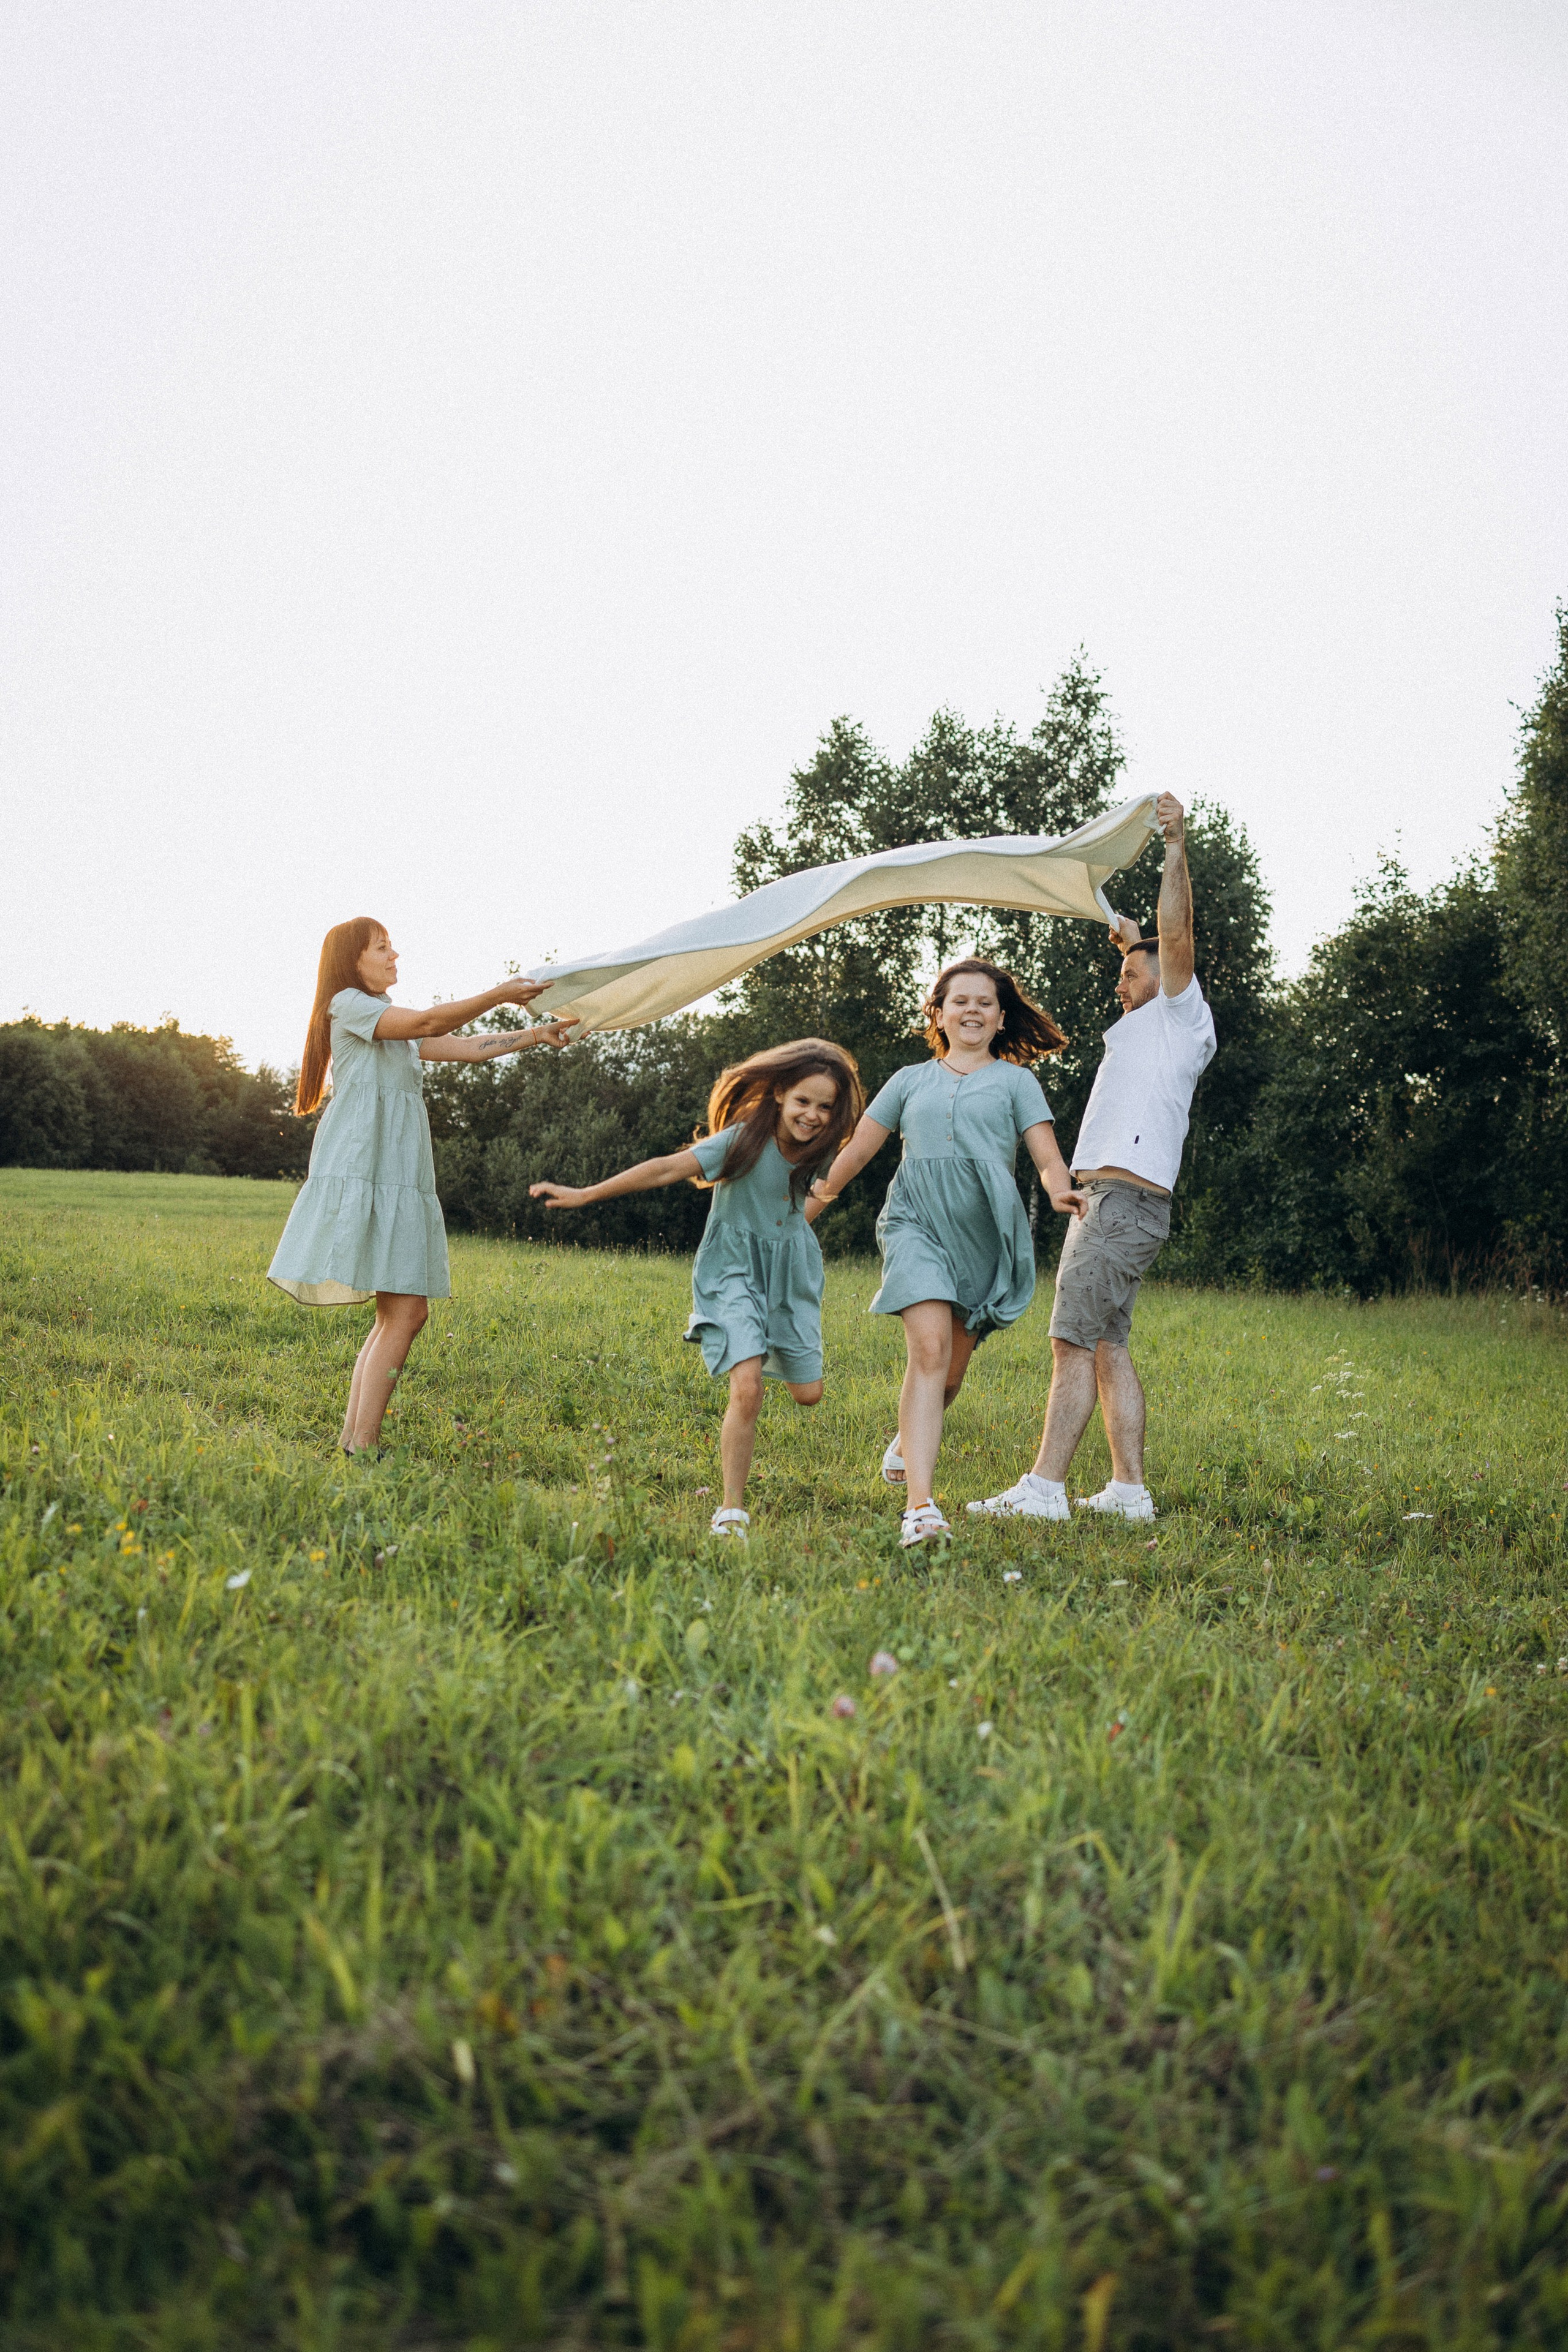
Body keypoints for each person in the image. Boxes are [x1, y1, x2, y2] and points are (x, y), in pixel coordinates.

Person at [968, 793, 1215, 1525]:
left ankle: (1044, 1488)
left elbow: (1174, 934)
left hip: (1119, 1204)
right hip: (1121, 1205)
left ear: (1167, 975)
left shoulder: (1179, 1011)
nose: (1119, 985)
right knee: (1107, 1344)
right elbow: (1146, 947)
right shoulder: (1153, 1021)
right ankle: (1128, 1492)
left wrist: (1174, 846)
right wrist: (1127, 940)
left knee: (1069, 1342)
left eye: (1130, 976)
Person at [530, 1040, 863, 1539]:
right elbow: (667, 1167)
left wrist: (793, 1228)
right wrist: (587, 1194)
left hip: (792, 1275)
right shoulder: (741, 1140)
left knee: (809, 1395)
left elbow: (818, 1188)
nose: (812, 1115)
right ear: (778, 1093)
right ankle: (731, 1511)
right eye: (803, 1101)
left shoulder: (821, 1148)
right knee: (748, 1388)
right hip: (733, 1270)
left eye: (824, 1107)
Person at [269, 916, 576, 1454]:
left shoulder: (389, 1023)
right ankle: (362, 1445)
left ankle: (355, 1441)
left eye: (392, 947)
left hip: (396, 1170)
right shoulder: (348, 1004)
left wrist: (535, 1034)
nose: (394, 956)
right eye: (382, 948)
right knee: (407, 1313)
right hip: (369, 1166)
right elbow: (430, 1020)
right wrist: (500, 994)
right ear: (352, 961)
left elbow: (469, 1047)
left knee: (398, 1314)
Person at [809, 959, 1083, 1548]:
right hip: (916, 1224)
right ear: (938, 1013)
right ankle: (921, 1509)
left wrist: (1060, 1190)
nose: (972, 1011)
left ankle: (909, 1438)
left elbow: (1047, 1156)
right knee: (929, 1351)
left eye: (985, 1003)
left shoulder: (1017, 1083)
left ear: (1001, 1018)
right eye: (960, 1001)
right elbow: (858, 1150)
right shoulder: (909, 1080)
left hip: (984, 1238)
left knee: (949, 1376)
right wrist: (811, 1207)